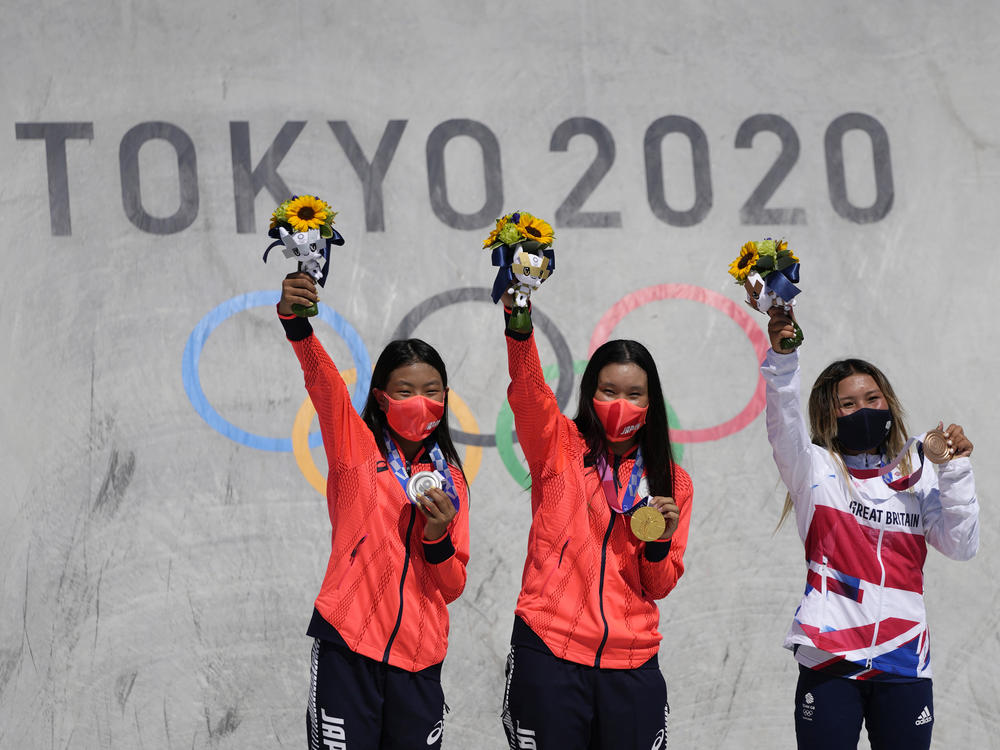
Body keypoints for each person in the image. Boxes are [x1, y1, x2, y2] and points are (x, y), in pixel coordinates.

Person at [763, 308, 979, 750]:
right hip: (831, 658)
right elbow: (782, 422)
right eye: (848, 403)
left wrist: (955, 469)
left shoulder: (918, 474)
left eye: (873, 398)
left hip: (904, 661)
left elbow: (961, 545)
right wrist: (783, 359)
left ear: (889, 404)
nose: (863, 409)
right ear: (831, 413)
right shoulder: (814, 470)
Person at [277, 273, 470, 750]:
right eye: (404, 391)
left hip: (419, 664)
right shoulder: (354, 450)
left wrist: (438, 536)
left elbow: (452, 587)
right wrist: (296, 324)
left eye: (433, 391)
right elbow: (323, 384)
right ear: (381, 399)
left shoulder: (452, 481)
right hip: (349, 651)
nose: (420, 402)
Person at [498, 295, 693, 750]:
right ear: (589, 393)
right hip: (550, 652)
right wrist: (518, 320)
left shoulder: (670, 481)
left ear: (651, 401)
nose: (619, 404)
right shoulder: (558, 446)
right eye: (608, 391)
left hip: (632, 663)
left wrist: (661, 544)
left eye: (633, 394)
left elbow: (658, 585)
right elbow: (527, 387)